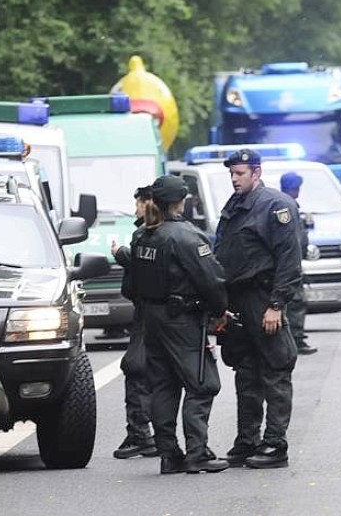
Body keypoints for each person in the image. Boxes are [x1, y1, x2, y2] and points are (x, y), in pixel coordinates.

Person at [123, 174, 230, 474]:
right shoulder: (186, 236)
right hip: (181, 320)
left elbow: (130, 286)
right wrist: (220, 310)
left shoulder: (141, 235)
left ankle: (169, 455)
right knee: (202, 383)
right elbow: (212, 280)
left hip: (151, 321)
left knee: (163, 386)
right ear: (182, 201)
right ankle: (198, 453)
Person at [214, 148, 302, 469]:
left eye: (240, 173)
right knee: (246, 372)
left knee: (276, 370)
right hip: (238, 300)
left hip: (263, 298)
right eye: (232, 174)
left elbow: (289, 260)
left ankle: (275, 443)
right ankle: (247, 440)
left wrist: (276, 304)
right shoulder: (236, 205)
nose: (235, 179)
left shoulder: (275, 206)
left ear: (257, 172)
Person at [110, 186, 158, 459]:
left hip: (149, 314)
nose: (136, 209)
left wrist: (121, 255)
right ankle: (153, 435)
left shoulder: (146, 235)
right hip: (159, 315)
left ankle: (142, 434)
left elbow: (143, 267)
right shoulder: (153, 232)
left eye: (139, 203)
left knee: (136, 369)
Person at [279, 171, 317, 355]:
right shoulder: (289, 206)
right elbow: (296, 239)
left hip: (286, 263)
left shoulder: (278, 203)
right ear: (295, 189)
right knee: (296, 301)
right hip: (291, 264)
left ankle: (291, 339)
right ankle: (296, 339)